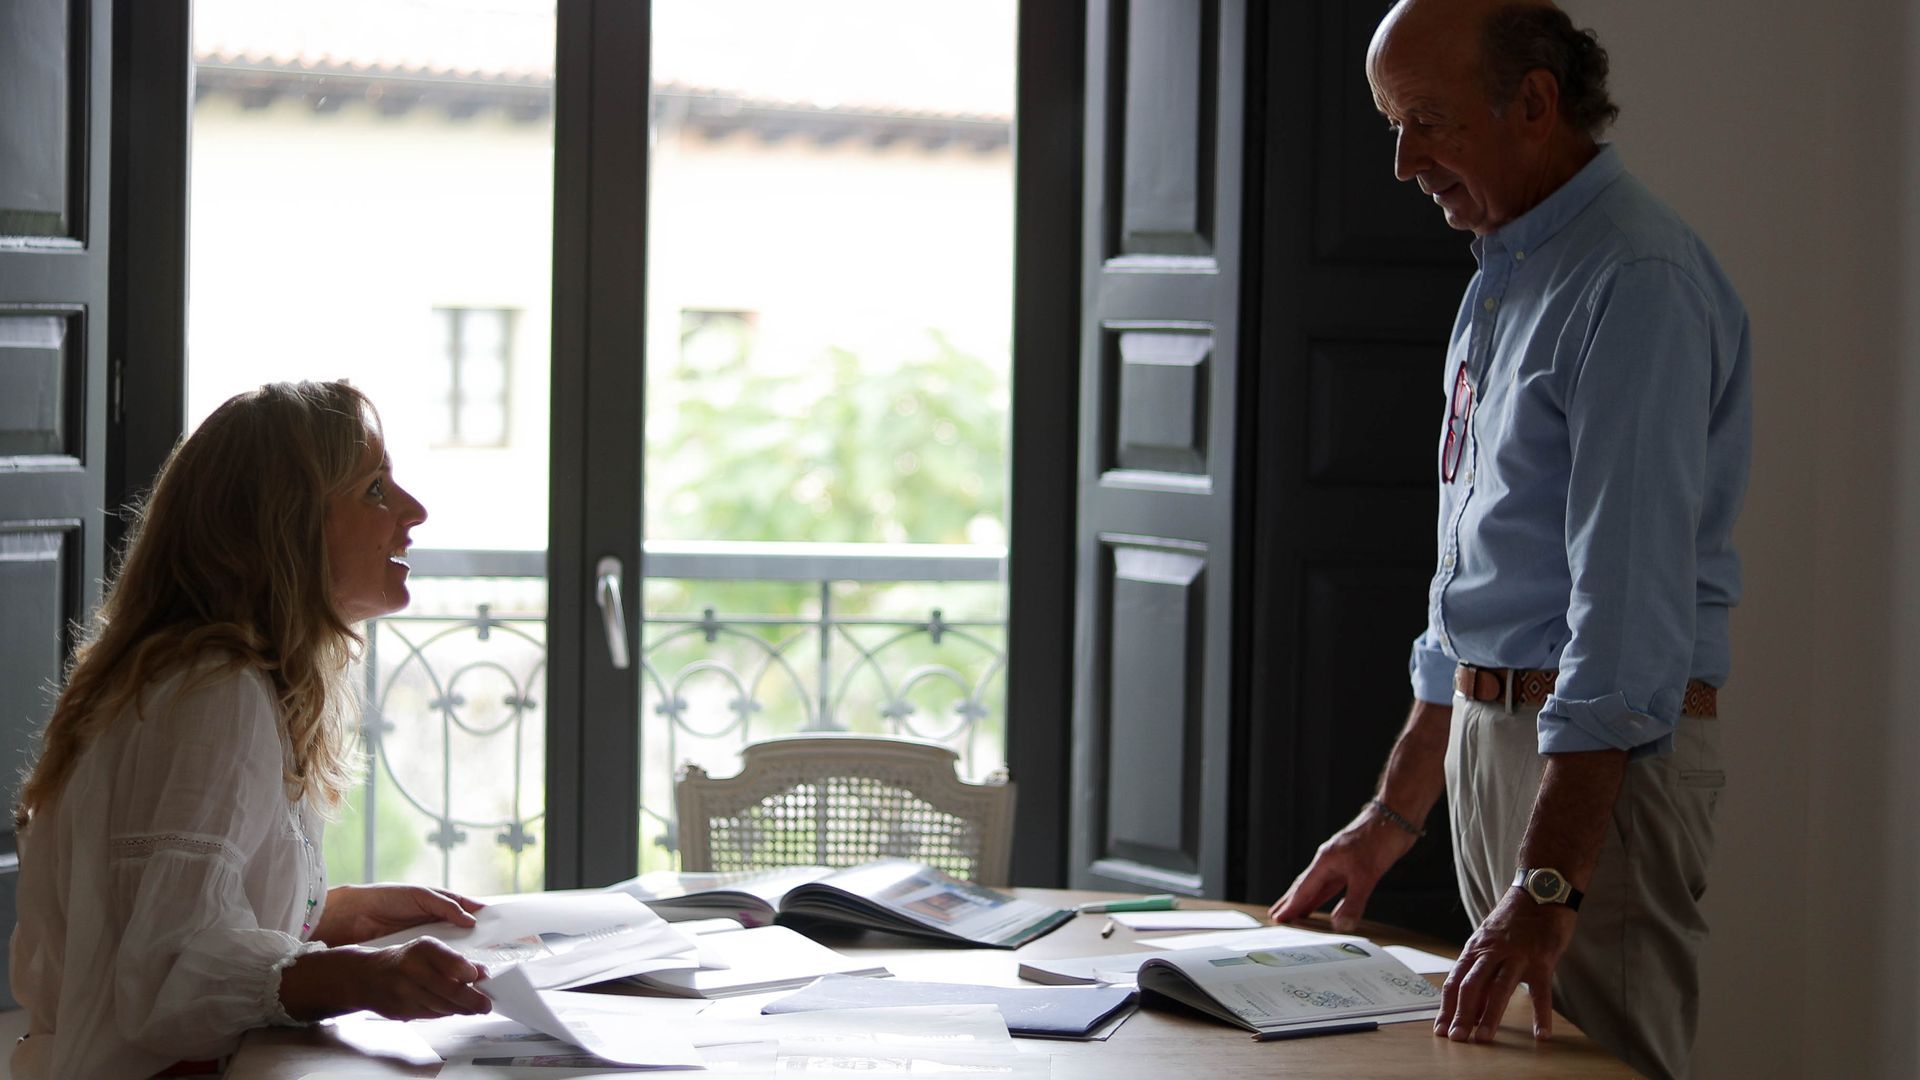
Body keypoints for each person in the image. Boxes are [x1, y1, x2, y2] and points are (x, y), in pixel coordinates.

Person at [1267, 3, 1750, 1078]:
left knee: (1591, 1071)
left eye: (1427, 120)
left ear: (1534, 103)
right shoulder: (1508, 270)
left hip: (1596, 768)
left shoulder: (1636, 281)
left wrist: (1546, 885)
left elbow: (1624, 621)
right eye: (1392, 123)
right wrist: (1394, 812)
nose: (1403, 161)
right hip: (1501, 749)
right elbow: (1477, 587)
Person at [10, 381, 495, 1079]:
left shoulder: (207, 678)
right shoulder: (214, 692)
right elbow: (162, 980)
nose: (413, 513)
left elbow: (140, 924)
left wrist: (322, 915)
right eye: (374, 491)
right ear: (286, 524)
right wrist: (364, 977)